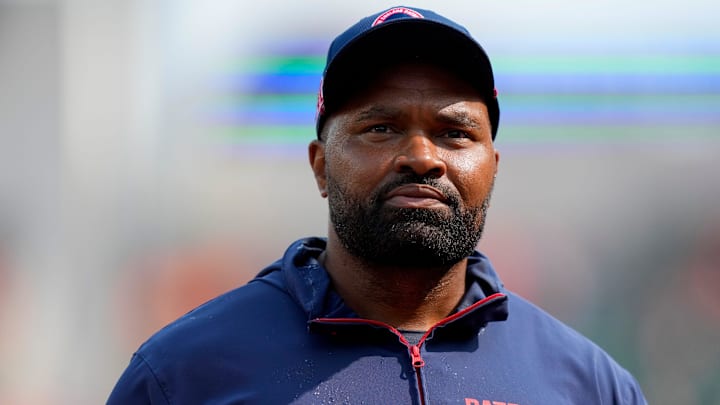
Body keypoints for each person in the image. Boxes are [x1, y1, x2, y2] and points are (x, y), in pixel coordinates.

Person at [108, 6, 647, 404]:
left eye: (455, 133)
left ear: (493, 166)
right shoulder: (185, 374)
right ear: (320, 165)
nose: (421, 157)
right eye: (381, 128)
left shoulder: (587, 383)